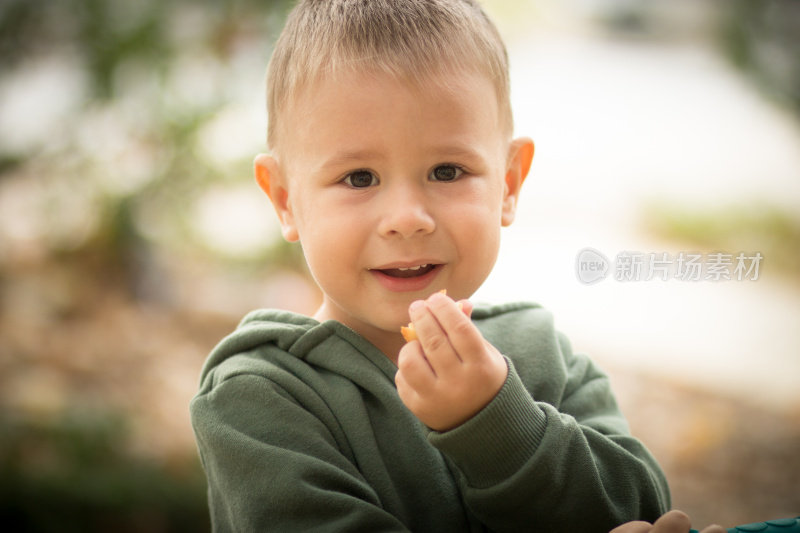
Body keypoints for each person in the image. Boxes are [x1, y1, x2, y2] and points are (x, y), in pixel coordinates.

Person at [189, 1, 672, 530]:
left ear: (508, 184)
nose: (407, 219)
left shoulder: (540, 355)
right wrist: (485, 427)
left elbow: (643, 508)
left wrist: (503, 424)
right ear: (285, 199)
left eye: (447, 170)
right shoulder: (259, 400)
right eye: (359, 178)